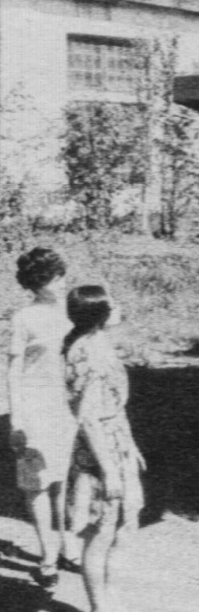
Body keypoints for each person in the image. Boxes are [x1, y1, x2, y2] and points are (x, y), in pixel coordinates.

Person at [64, 285, 146, 612]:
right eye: (113, 304)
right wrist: (109, 469)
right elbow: (87, 418)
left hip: (117, 444)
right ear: (100, 314)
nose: (119, 307)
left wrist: (130, 446)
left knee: (125, 527)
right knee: (100, 534)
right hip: (98, 455)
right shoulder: (86, 353)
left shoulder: (98, 344)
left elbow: (112, 406)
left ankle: (113, 603)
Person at [7, 247, 79, 591]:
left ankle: (67, 546)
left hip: (67, 405)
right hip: (35, 406)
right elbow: (14, 370)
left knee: (64, 478)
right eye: (53, 278)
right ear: (36, 283)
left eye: (61, 275)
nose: (60, 282)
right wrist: (16, 419)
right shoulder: (24, 318)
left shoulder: (73, 311)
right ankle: (47, 555)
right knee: (37, 482)